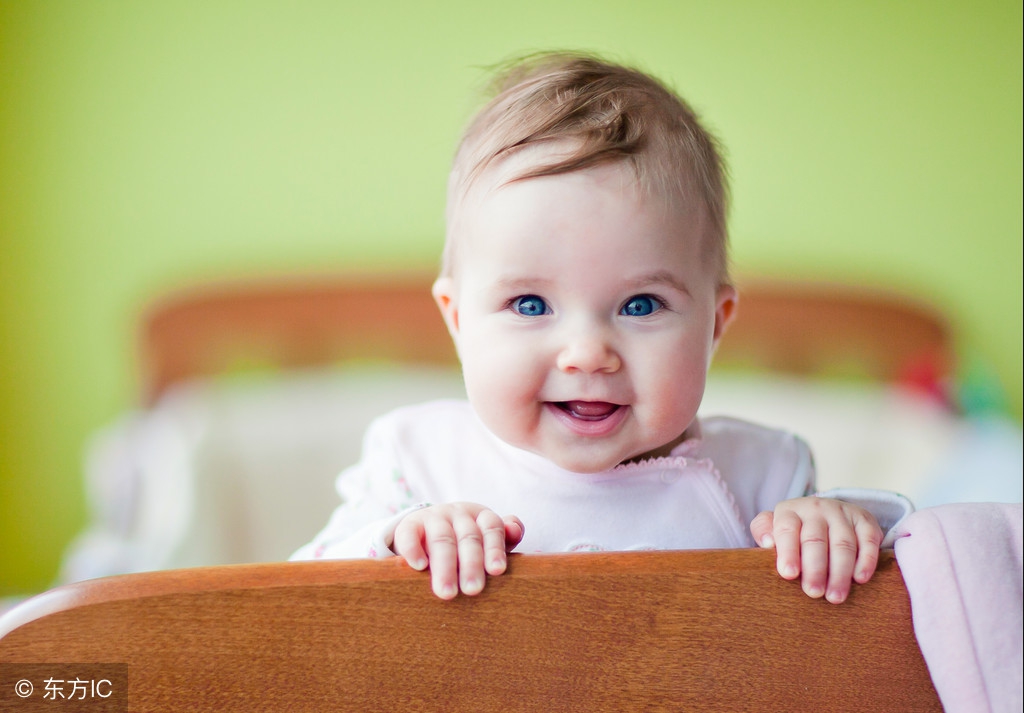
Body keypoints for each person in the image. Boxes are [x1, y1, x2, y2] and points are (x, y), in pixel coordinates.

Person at [291, 52, 910, 603]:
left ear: (714, 326)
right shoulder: (418, 460)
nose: (588, 354)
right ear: (457, 321)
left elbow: (869, 619)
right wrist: (397, 543)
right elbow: (294, 593)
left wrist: (839, 531)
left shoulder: (764, 476)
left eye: (640, 305)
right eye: (530, 305)